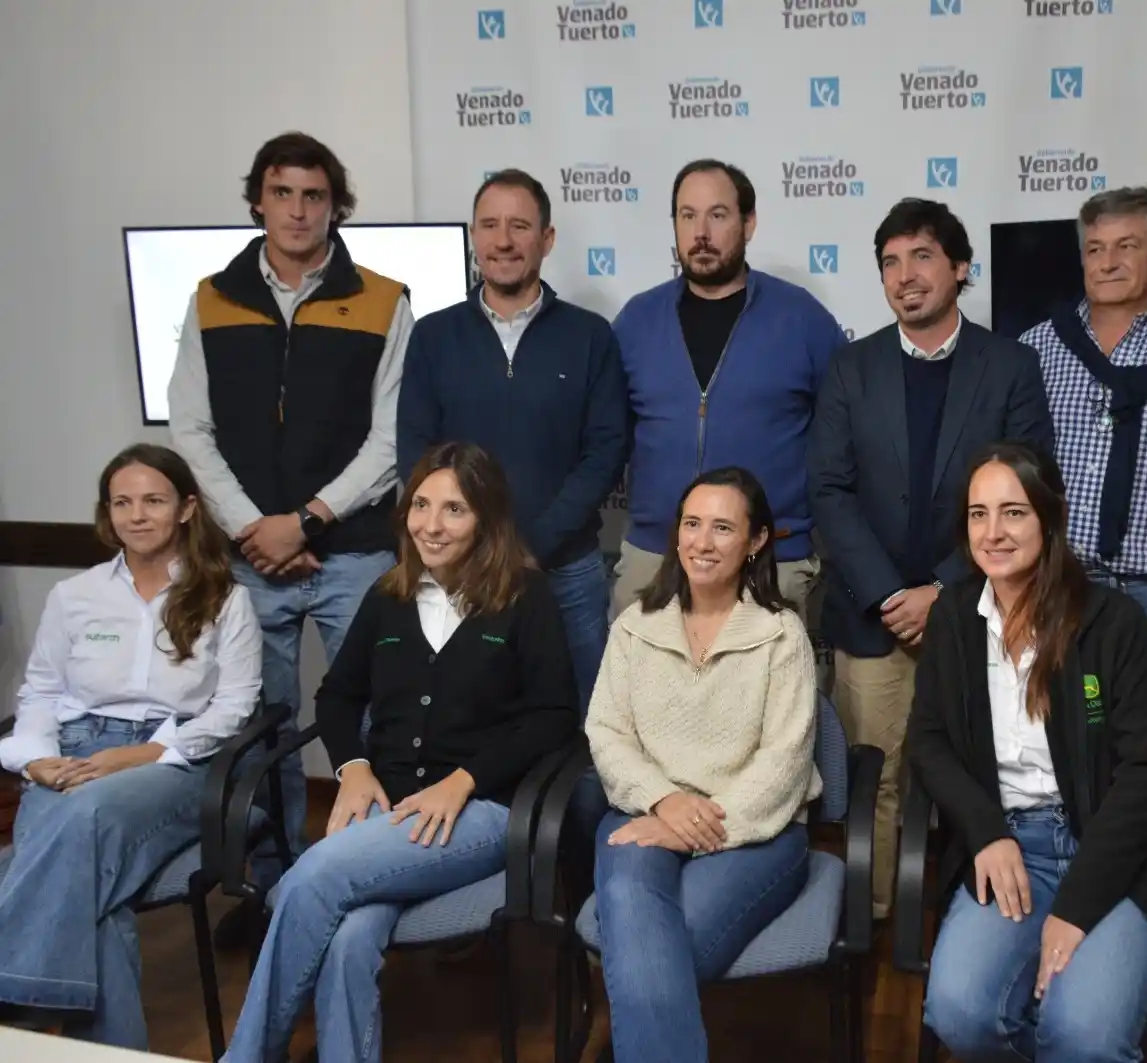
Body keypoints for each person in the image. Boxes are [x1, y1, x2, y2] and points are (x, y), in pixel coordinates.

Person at [220, 442, 579, 1063]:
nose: (431, 525)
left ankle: (248, 1056)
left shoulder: (526, 598)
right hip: (385, 811)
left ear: (487, 520)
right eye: (420, 505)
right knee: (350, 936)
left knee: (318, 876)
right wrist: (353, 769)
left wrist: (463, 780)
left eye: (454, 510)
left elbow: (554, 719)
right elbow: (336, 697)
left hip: (483, 812)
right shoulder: (389, 595)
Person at [168, 132, 413, 939]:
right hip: (249, 561)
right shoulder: (212, 297)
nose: (299, 210)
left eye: (315, 195)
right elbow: (191, 429)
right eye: (283, 193)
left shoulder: (383, 297)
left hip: (355, 551)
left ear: (334, 204)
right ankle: (273, 892)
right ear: (257, 201)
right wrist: (252, 529)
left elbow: (392, 438)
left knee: (380, 717)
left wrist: (305, 520)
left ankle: (368, 880)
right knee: (260, 726)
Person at [907, 442, 1147, 1062]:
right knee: (960, 1013)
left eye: (1013, 512)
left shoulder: (1112, 621)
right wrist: (988, 833)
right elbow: (929, 741)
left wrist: (1074, 910)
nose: (993, 532)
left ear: (1050, 517)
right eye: (977, 514)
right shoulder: (955, 617)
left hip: (1116, 857)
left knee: (1083, 1035)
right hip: (1012, 847)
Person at [809, 197, 1054, 918]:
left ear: (958, 267)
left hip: (982, 611)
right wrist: (891, 593)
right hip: (872, 615)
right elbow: (828, 488)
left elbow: (1027, 485)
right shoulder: (851, 368)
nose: (904, 275)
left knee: (975, 771)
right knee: (877, 775)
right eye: (889, 261)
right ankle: (884, 918)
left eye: (920, 256)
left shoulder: (1009, 365)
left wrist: (944, 589)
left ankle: (972, 910)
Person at [0, 444, 263, 1049]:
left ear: (187, 508)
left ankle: (19, 1010)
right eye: (122, 502)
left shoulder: (225, 596)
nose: (136, 515)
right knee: (100, 903)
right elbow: (39, 691)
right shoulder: (75, 595)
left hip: (173, 761)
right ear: (107, 512)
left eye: (153, 500)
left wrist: (142, 755)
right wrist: (34, 757)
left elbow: (234, 708)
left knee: (78, 818)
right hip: (73, 750)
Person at [585, 466, 822, 1063]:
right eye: (692, 524)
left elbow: (785, 763)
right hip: (645, 812)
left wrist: (692, 822)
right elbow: (606, 732)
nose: (702, 542)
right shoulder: (635, 627)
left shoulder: (781, 635)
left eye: (722, 527)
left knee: (655, 947)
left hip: (755, 834)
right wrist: (664, 802)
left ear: (757, 541)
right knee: (644, 937)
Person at [397, 167, 629, 716]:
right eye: (490, 225)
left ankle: (583, 808)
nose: (503, 241)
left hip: (564, 568)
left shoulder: (590, 336)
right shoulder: (432, 335)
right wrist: (469, 542)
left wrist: (532, 547)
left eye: (520, 226)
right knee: (465, 716)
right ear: (474, 237)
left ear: (546, 239)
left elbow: (605, 451)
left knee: (586, 720)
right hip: (457, 567)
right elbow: (415, 450)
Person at [610, 159, 847, 618]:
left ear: (748, 223)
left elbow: (845, 436)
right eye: (687, 215)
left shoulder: (802, 319)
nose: (701, 232)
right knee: (641, 690)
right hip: (656, 557)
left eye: (717, 215)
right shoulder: (636, 322)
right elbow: (605, 437)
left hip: (770, 557)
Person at [1020, 186, 1147, 688]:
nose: (1107, 262)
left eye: (1127, 246)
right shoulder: (1037, 349)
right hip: (1054, 584)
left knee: (1143, 742)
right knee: (1050, 736)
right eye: (1095, 249)